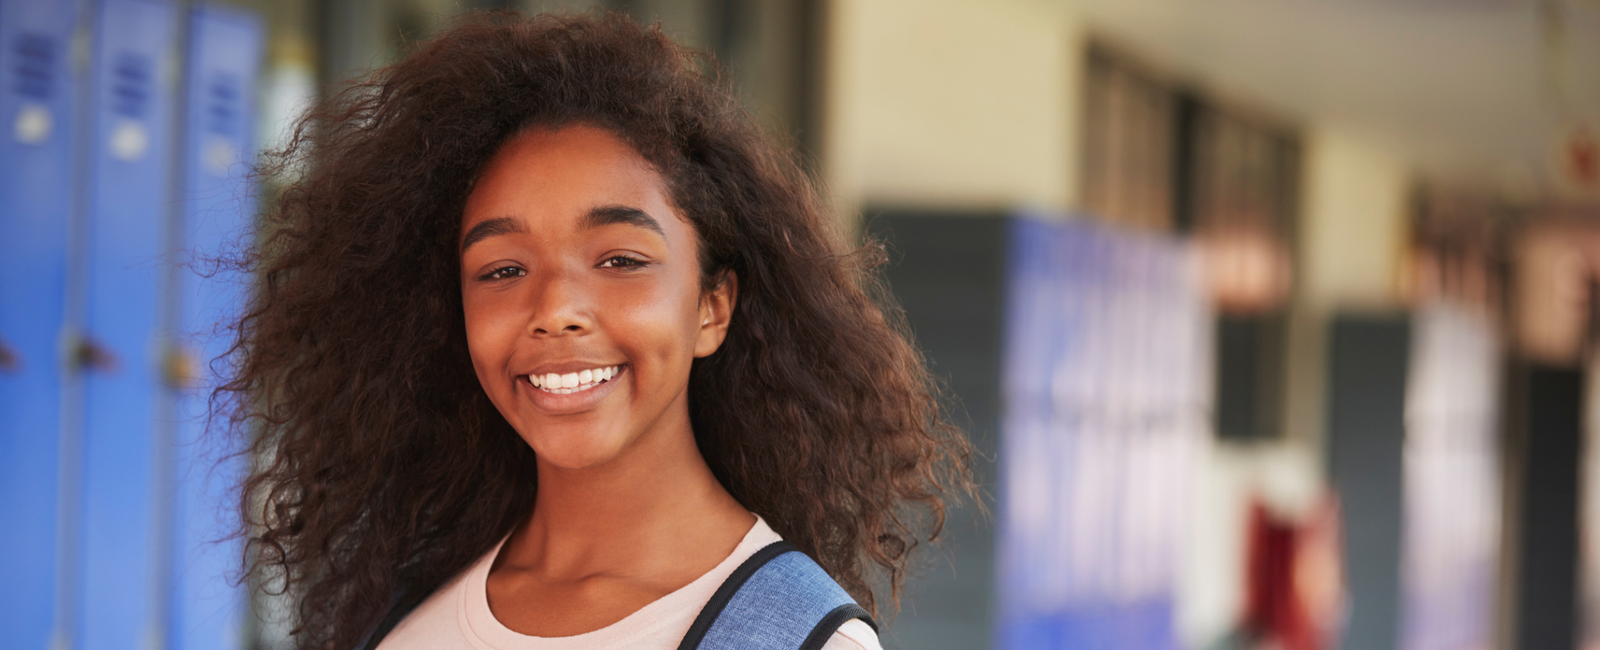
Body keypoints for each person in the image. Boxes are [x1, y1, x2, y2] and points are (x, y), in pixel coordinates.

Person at [219, 10, 972, 650]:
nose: (555, 308)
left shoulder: (798, 638)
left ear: (713, 305)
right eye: (503, 270)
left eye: (618, 258)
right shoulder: (404, 609)